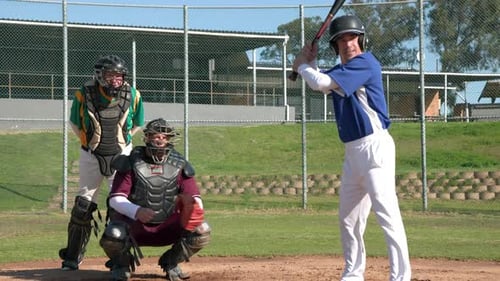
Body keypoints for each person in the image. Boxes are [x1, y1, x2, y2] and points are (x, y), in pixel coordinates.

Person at [292, 15, 411, 281]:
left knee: (386, 214)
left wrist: (301, 66)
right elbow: (323, 81)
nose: (349, 44)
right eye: (342, 40)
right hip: (353, 152)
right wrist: (309, 62)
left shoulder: (365, 63)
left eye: (353, 37)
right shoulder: (340, 72)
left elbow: (319, 82)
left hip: (375, 147)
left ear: (361, 40)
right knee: (349, 219)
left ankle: (400, 276)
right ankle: (353, 274)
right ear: (335, 47)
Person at [59, 54, 145, 271]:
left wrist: (122, 142)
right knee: (83, 205)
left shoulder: (133, 94)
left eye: (119, 75)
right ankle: (73, 256)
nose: (116, 80)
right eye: (110, 75)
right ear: (99, 75)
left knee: (121, 203)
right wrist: (91, 143)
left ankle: (119, 256)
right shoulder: (83, 93)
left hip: (121, 154)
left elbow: (138, 123)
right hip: (91, 154)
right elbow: (75, 123)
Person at [99, 118, 211, 281]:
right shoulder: (131, 162)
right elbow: (115, 199)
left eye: (164, 137)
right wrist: (136, 211)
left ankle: (171, 262)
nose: (160, 140)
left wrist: (193, 208)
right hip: (134, 227)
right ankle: (122, 264)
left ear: (169, 139)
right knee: (113, 234)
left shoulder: (179, 164)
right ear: (147, 137)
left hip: (167, 226)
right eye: (156, 136)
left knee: (202, 230)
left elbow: (194, 196)